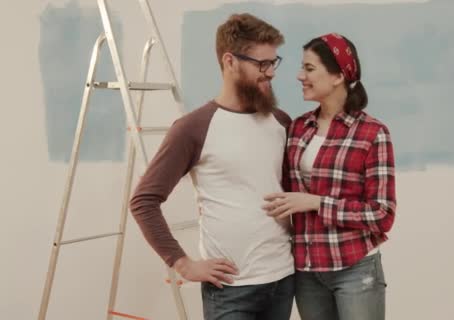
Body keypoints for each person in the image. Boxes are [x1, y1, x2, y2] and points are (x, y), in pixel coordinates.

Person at [129, 13, 294, 320]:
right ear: (230, 61)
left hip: (283, 279)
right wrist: (182, 263)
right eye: (262, 64)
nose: (271, 72)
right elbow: (144, 201)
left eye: (274, 62)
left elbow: (288, 194)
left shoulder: (280, 122)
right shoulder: (193, 128)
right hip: (230, 289)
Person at [263, 33, 396, 320]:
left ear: (338, 76)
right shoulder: (297, 128)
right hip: (307, 272)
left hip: (355, 267)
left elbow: (382, 214)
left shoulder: (373, 134)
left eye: (309, 68)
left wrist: (317, 203)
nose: (300, 76)